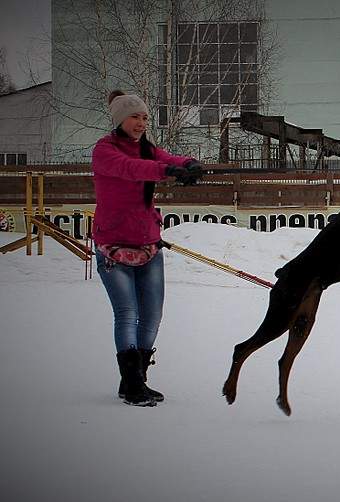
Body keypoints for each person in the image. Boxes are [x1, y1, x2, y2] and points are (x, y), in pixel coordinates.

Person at [92, 90, 202, 407]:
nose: (141, 123)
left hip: (148, 246)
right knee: (128, 314)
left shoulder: (148, 148)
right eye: (134, 117)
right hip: (113, 247)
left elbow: (165, 158)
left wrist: (189, 164)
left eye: (144, 118)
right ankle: (131, 382)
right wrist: (167, 172)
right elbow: (132, 168)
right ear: (119, 119)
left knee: (152, 317)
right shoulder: (104, 150)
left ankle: (137, 381)